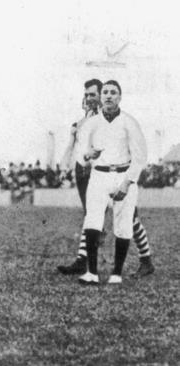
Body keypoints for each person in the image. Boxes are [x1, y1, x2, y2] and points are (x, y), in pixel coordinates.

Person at [58, 79, 154, 278]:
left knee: (130, 218)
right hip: (88, 171)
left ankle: (146, 259)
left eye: (93, 94)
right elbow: (77, 149)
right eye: (87, 95)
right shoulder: (85, 121)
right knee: (91, 217)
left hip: (117, 172)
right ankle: (82, 261)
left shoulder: (118, 120)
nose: (89, 98)